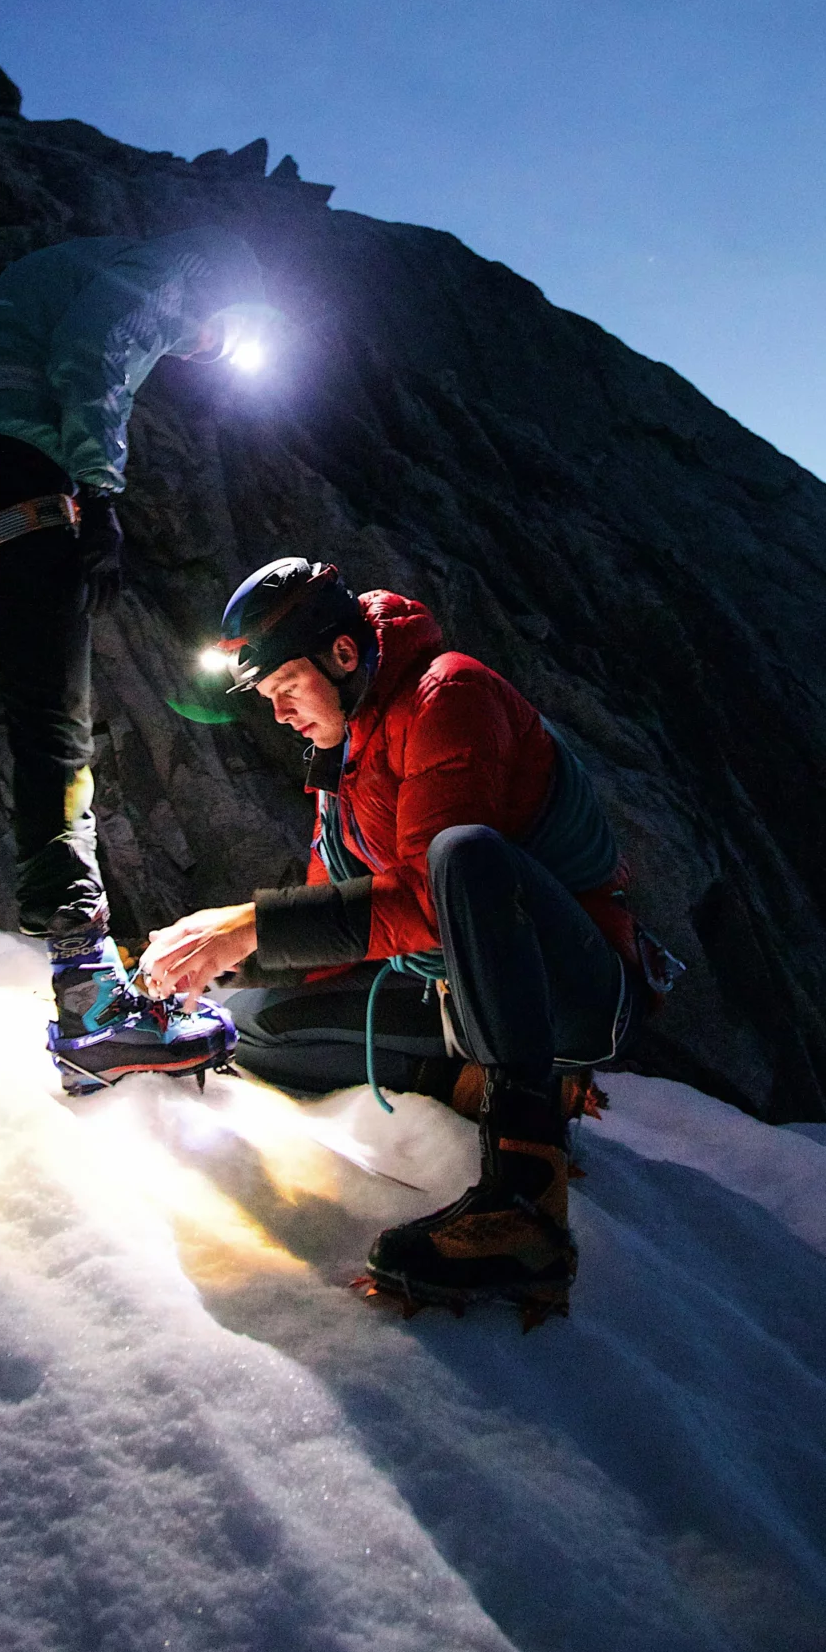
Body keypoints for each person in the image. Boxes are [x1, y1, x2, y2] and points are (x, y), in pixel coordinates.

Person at [140, 558, 673, 1323]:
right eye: (267, 700)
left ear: (343, 655)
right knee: (254, 1025)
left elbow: (428, 898)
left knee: (466, 854)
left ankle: (526, 1203)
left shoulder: (447, 694)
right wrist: (206, 960)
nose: (280, 714)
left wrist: (250, 924)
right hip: (454, 990)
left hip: (566, 991)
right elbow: (337, 911)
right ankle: (474, 1085)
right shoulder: (347, 751)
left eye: (286, 689)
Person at [0, 227, 270, 1095]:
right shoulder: (178, 264)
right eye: (217, 334)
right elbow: (98, 346)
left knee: (7, 697)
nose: (202, 348)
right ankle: (88, 998)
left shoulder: (36, 271)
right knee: (56, 725)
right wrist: (100, 486)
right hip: (17, 477)